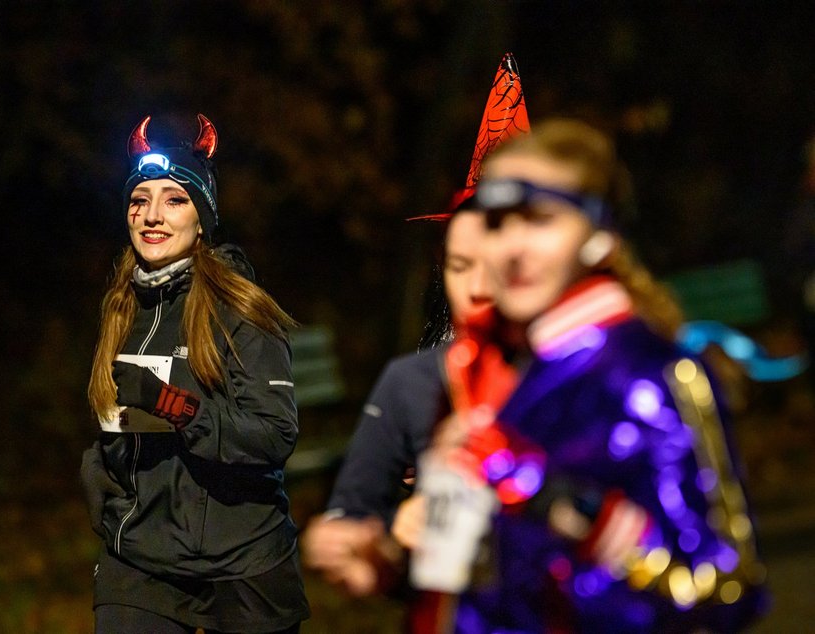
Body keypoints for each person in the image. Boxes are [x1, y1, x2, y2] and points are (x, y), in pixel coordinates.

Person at [413, 117, 768, 633]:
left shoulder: (651, 375)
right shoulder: (490, 366)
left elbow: (726, 586)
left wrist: (550, 494)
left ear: (599, 235)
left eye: (539, 219)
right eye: (496, 222)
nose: (512, 247)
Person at [79, 114, 310, 634]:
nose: (152, 216)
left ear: (202, 218)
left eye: (174, 199)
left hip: (241, 560)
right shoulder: (121, 305)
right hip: (140, 557)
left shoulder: (241, 309)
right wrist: (96, 467)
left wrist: (174, 405)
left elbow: (274, 435)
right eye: (140, 200)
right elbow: (115, 416)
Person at [301, 205, 497, 597]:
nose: (476, 288)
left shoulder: (591, 375)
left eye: (495, 266)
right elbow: (354, 513)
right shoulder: (411, 380)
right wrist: (362, 544)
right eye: (459, 266)